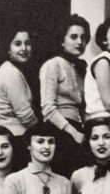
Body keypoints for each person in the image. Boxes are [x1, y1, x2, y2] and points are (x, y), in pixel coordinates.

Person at [39, 14, 91, 177]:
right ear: (62, 41)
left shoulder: (80, 68)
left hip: (79, 130)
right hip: (60, 130)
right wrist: (73, 133)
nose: (79, 42)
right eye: (73, 37)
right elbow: (47, 108)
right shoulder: (52, 65)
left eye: (83, 37)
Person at [0, 28, 38, 142]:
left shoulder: (12, 69)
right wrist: (42, 130)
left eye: (27, 43)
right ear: (8, 49)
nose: (24, 48)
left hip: (13, 134)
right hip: (12, 137)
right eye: (17, 44)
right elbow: (26, 116)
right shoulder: (10, 73)